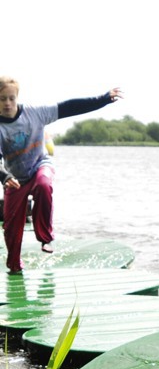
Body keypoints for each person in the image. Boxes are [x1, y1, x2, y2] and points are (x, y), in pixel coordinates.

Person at [0, 78, 123, 274]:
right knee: (11, 226)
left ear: (17, 97)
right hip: (14, 178)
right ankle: (14, 264)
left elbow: (69, 107)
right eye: (2, 99)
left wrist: (102, 99)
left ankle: (45, 237)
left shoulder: (35, 113)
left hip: (40, 165)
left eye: (11, 98)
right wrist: (5, 177)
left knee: (43, 185)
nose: (7, 103)